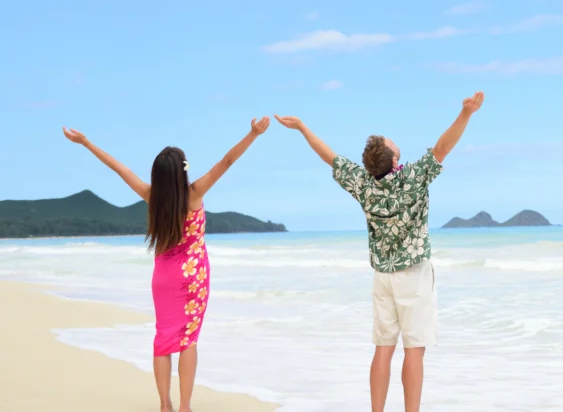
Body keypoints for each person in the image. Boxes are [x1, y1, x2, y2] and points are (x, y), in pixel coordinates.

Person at [275, 91, 484, 412]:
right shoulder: (412, 178)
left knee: (383, 348)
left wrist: (303, 128)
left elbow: (329, 157)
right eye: (391, 142)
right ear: (395, 159)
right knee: (414, 348)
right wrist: (466, 114)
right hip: (414, 274)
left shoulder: (362, 183)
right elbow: (443, 149)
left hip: (382, 277)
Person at [62, 117, 271, 412]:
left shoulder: (151, 196)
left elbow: (120, 169)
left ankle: (165, 405)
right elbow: (227, 162)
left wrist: (85, 143)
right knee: (188, 340)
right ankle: (185, 406)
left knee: (163, 338)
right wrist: (253, 134)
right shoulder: (195, 193)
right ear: (182, 171)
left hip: (163, 277)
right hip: (193, 277)